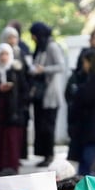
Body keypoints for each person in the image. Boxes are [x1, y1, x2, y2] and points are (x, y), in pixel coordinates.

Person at [0, 43, 31, 173]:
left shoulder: (16, 70)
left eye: (6, 54)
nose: (4, 57)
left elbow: (24, 90)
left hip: (14, 112)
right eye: (1, 54)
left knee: (11, 141)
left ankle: (11, 167)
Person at [30, 22, 67, 167]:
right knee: (41, 125)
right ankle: (44, 154)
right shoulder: (41, 48)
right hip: (40, 93)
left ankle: (49, 154)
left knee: (48, 126)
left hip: (50, 94)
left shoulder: (52, 46)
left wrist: (43, 69)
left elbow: (61, 66)